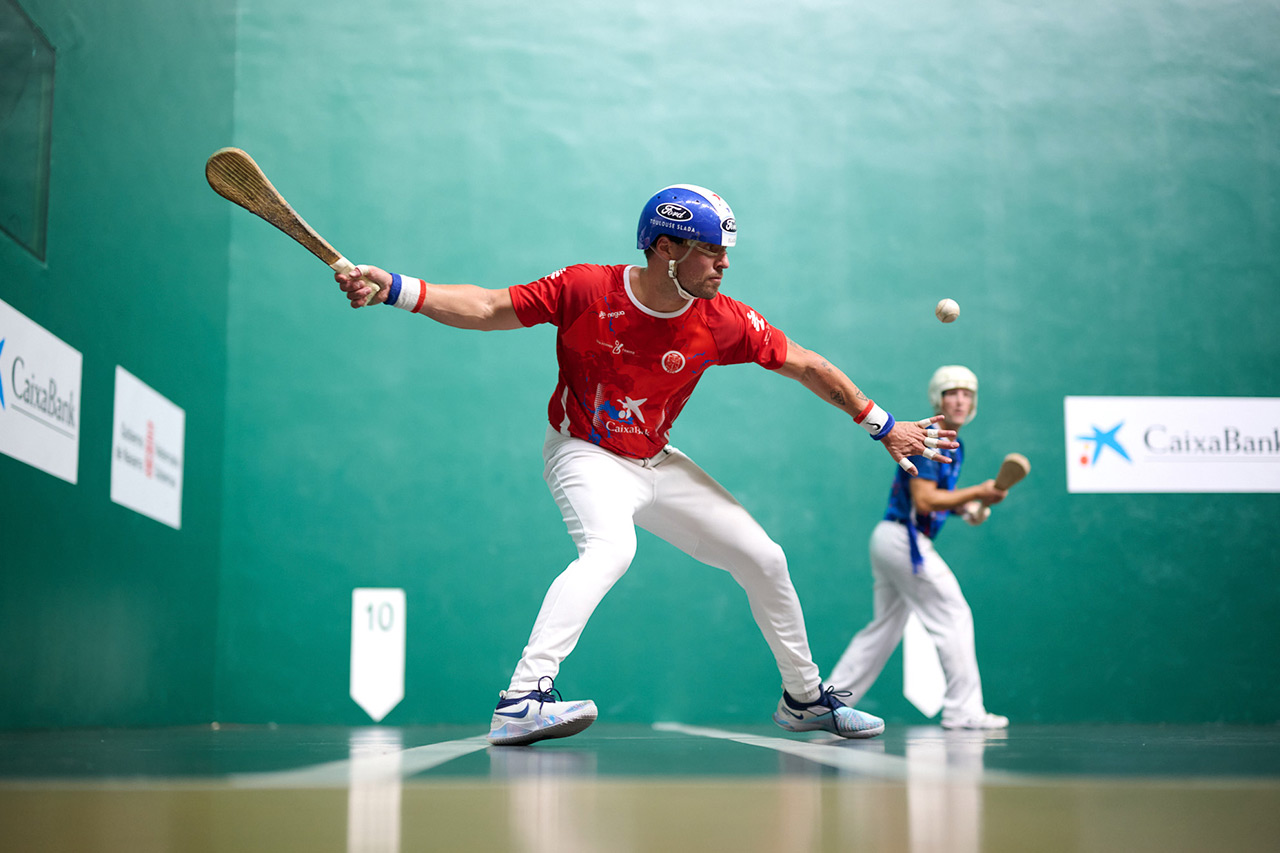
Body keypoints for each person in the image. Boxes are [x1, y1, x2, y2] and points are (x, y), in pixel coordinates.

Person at [335, 184, 958, 746]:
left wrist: (881, 425)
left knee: (765, 558)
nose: (725, 263)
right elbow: (490, 306)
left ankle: (804, 700)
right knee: (611, 549)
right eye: (713, 251)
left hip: (656, 462)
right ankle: (522, 699)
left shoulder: (723, 320)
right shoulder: (586, 288)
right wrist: (394, 288)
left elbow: (805, 364)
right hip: (584, 452)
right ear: (666, 248)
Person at [824, 365, 1010, 730]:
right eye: (952, 393)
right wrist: (979, 491)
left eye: (967, 394)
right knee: (953, 613)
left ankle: (828, 702)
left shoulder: (954, 444)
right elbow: (924, 500)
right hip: (902, 540)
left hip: (891, 538)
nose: (960, 400)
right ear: (938, 400)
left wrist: (966, 508)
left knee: (884, 629)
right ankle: (963, 709)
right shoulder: (930, 438)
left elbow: (936, 499)